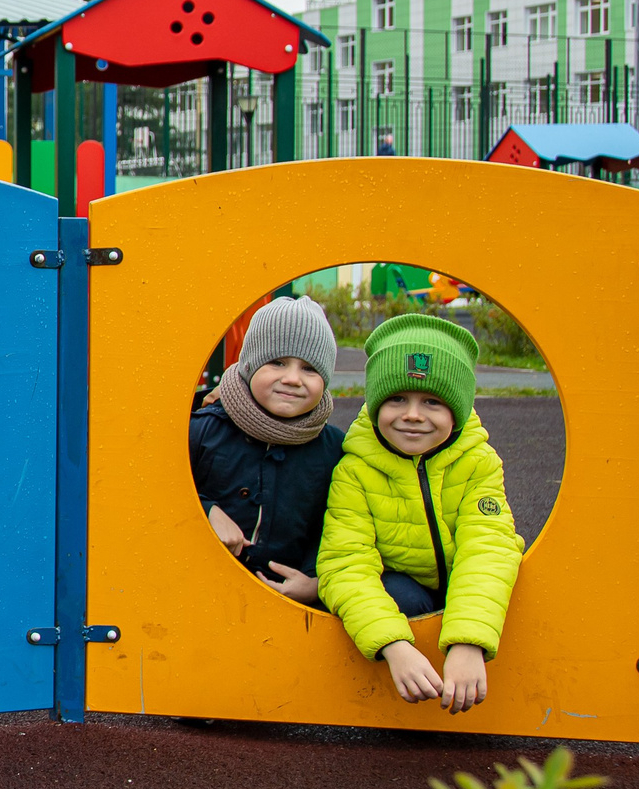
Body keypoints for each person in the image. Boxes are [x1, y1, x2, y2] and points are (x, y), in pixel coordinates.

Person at [315, 314, 525, 713]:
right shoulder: (356, 469)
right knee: (401, 595)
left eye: (432, 401)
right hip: (404, 597)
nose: (412, 414)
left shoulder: (477, 463)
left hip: (459, 587)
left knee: (513, 577)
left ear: (458, 411)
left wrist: (468, 640)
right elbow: (344, 563)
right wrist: (392, 644)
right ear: (375, 403)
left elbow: (488, 547)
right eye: (396, 399)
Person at [189, 296, 343, 602]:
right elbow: (160, 488)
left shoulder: (333, 449)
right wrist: (206, 512)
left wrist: (316, 581)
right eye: (277, 362)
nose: (292, 379)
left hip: (286, 607)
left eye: (310, 369)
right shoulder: (202, 429)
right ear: (248, 365)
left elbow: (338, 524)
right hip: (200, 592)